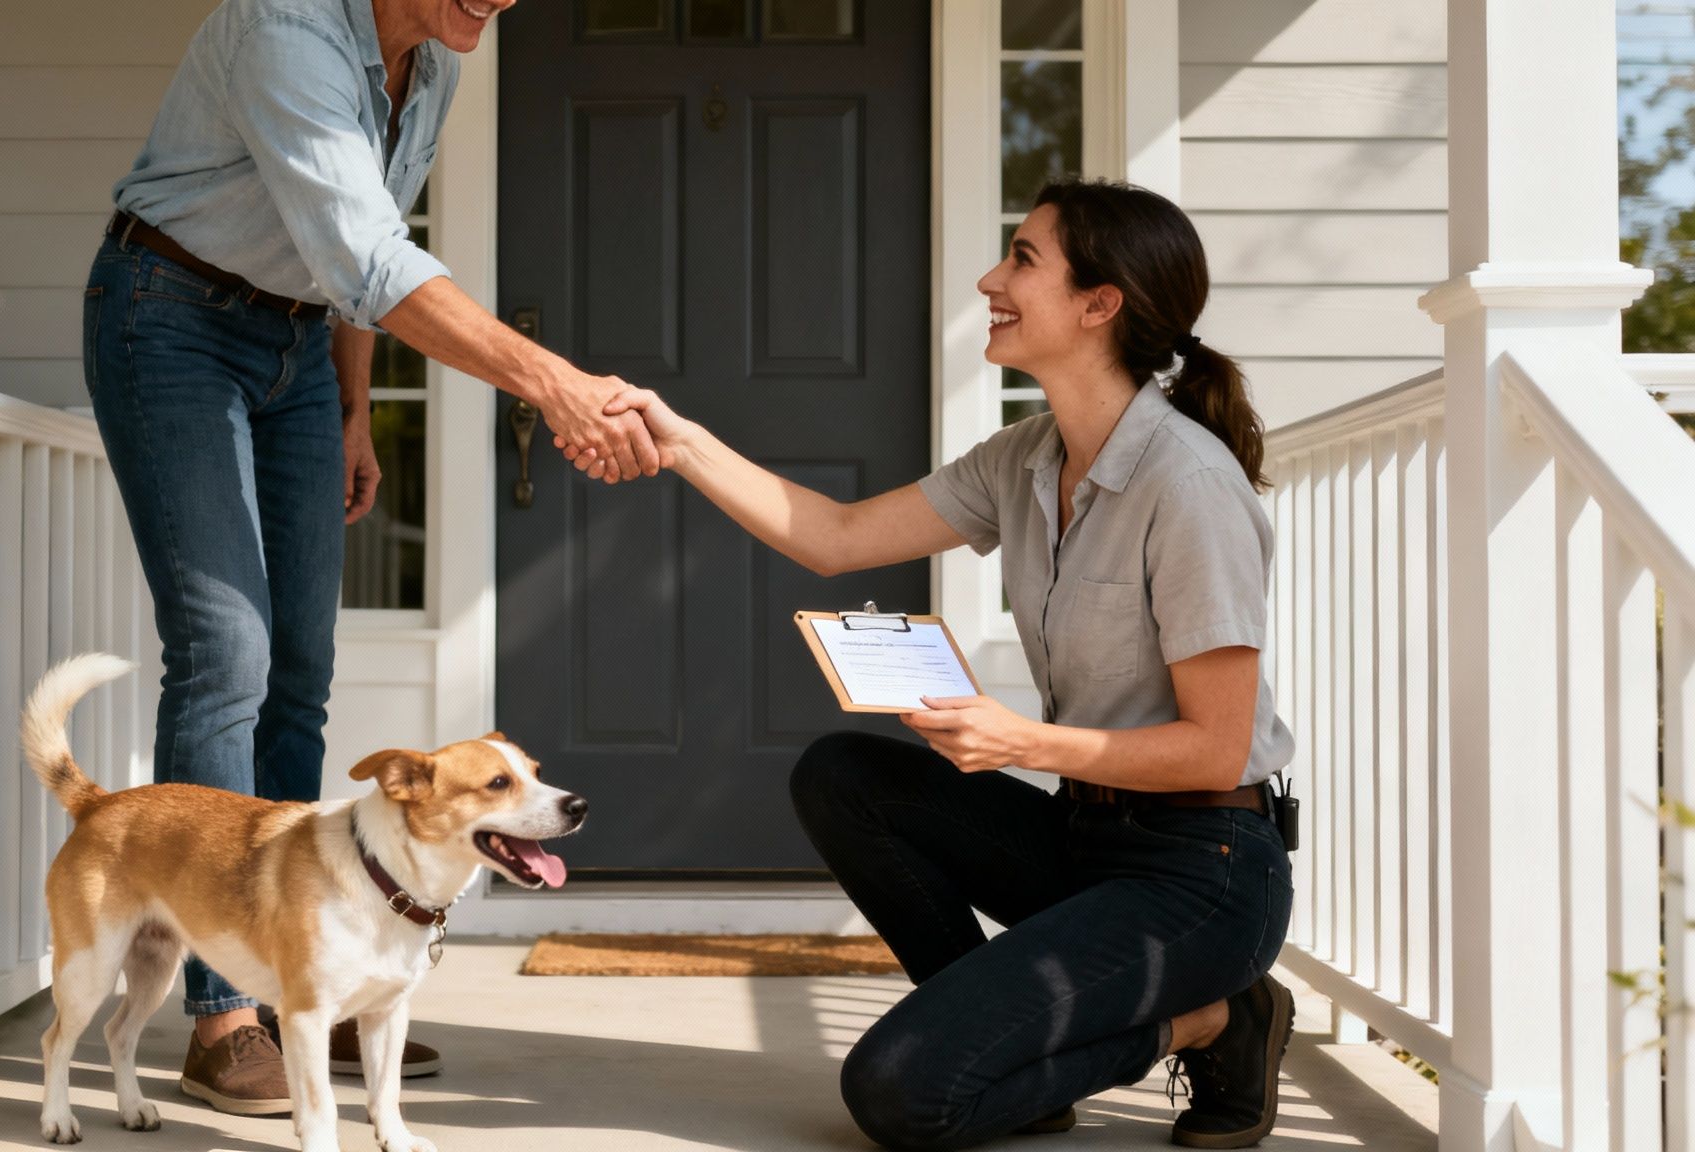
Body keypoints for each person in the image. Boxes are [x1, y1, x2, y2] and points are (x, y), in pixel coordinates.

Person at [580, 178, 1297, 1150]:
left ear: (1099, 304)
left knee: (902, 1093)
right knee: (843, 775)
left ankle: (1215, 1018)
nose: (988, 279)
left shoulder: (1189, 486)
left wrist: (1017, 738)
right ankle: (1011, 1057)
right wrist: (680, 442)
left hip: (1199, 873)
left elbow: (1216, 752)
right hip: (1083, 844)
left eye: (1021, 260)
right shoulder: (1025, 458)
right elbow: (831, 536)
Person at [84, 0, 656, 1117]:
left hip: (298, 339)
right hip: (170, 317)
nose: (494, 5)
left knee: (300, 666)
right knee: (227, 655)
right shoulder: (281, 30)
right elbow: (366, 252)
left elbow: (353, 254)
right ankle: (220, 1017)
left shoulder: (429, 61)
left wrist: (351, 407)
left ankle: (312, 979)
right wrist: (553, 384)